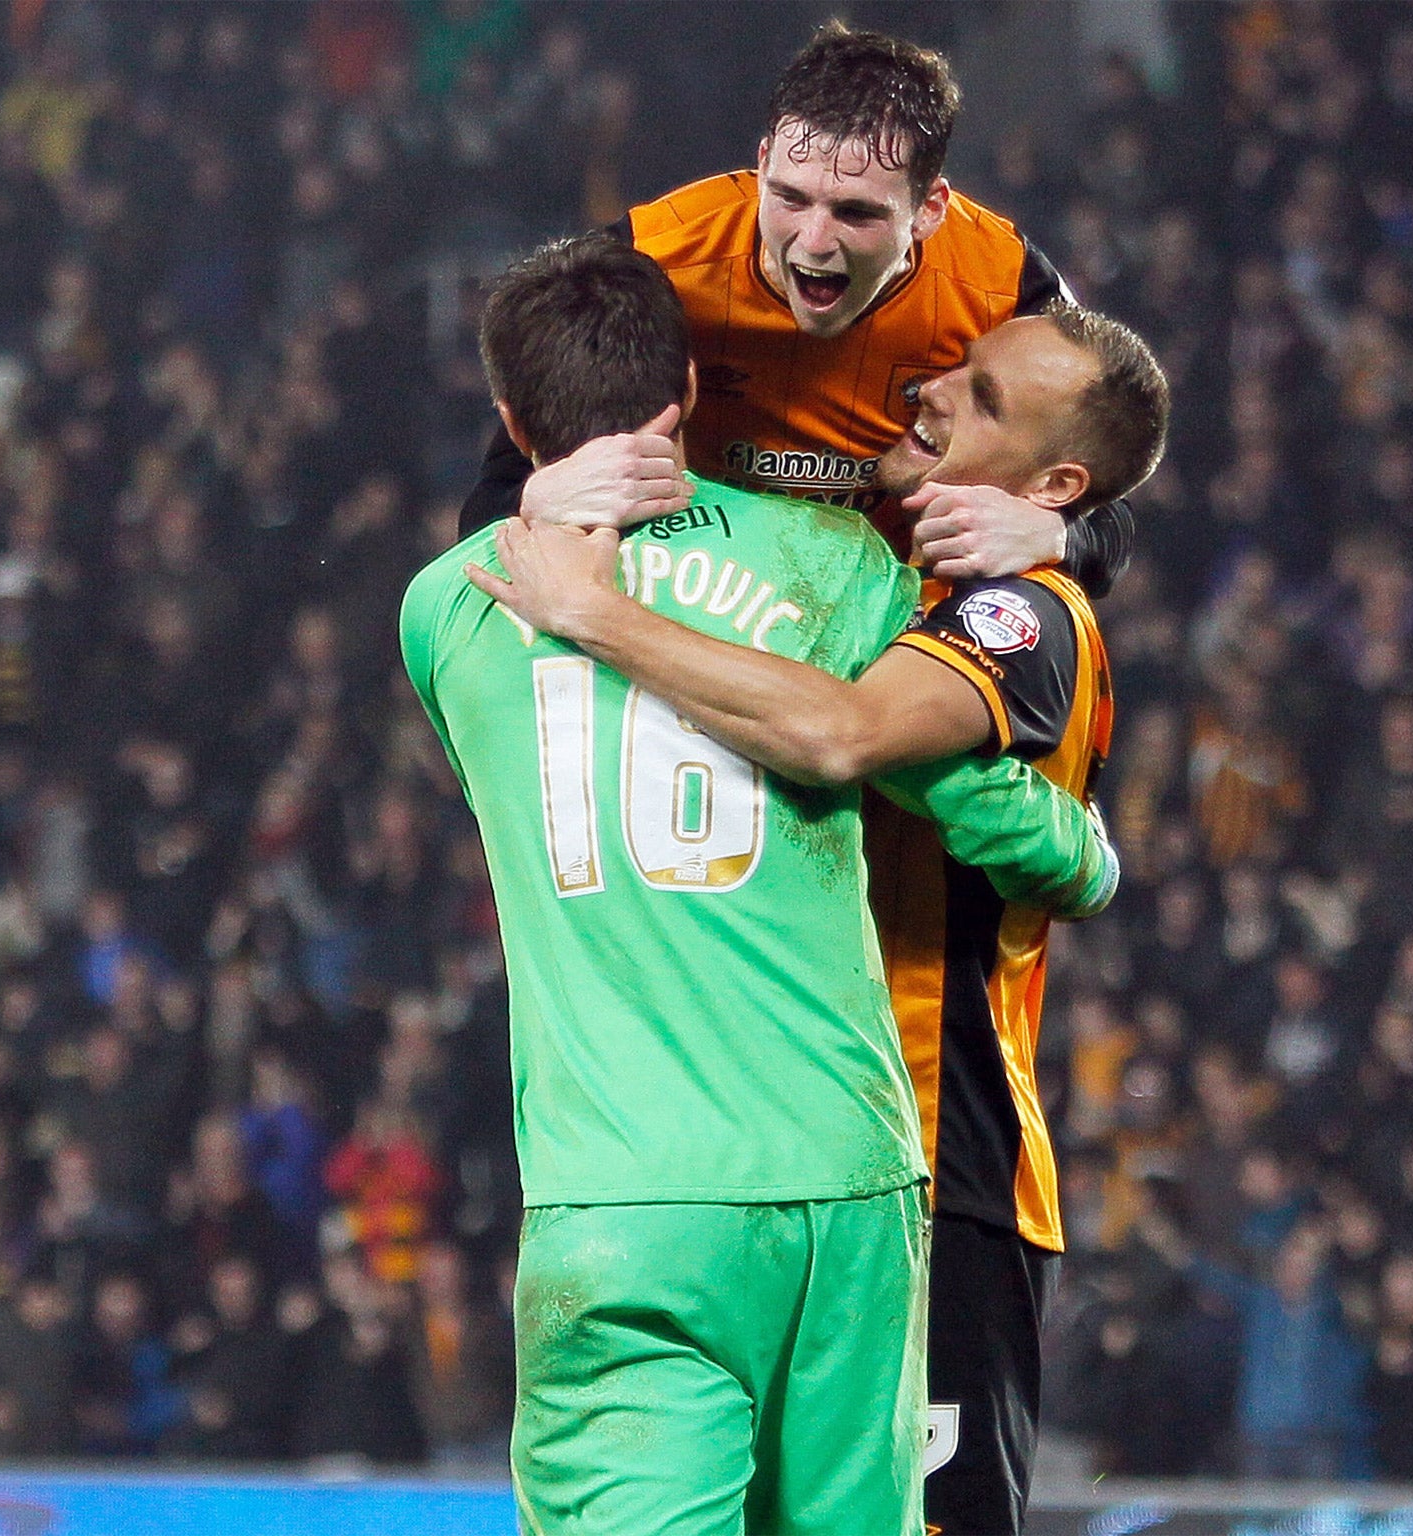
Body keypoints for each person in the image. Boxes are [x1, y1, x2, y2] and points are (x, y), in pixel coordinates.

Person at [400, 235, 1112, 1534]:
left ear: (511, 418)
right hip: (847, 1181)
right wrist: (1082, 850)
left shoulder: (447, 610)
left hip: (627, 1200)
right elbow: (960, 793)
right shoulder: (831, 562)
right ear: (687, 392)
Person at [463, 23, 1133, 596]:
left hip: (893, 633)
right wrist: (532, 502)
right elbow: (491, 501)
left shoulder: (1007, 289)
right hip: (686, 607)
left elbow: (1106, 513)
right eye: (788, 198)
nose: (814, 243)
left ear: (929, 209)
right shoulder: (650, 264)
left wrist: (1053, 535)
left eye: (856, 212)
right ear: (760, 165)